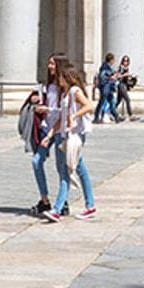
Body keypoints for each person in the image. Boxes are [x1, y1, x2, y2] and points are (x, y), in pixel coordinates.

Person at [44, 62, 97, 221]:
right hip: (64, 135)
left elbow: (89, 106)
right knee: (77, 169)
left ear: (67, 77)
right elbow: (61, 117)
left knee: (66, 170)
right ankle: (90, 205)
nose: (58, 78)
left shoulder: (75, 91)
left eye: (60, 76)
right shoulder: (65, 94)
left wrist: (74, 116)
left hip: (74, 136)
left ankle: (57, 209)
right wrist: (50, 135)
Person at [26, 53, 65, 217]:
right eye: (49, 63)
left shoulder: (65, 87)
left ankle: (62, 202)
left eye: (53, 64)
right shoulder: (47, 86)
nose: (50, 67)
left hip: (60, 130)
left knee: (62, 168)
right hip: (47, 129)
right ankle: (45, 200)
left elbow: (65, 111)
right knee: (36, 162)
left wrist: (47, 110)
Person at [93, 53, 117, 124]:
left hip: (108, 88)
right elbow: (102, 76)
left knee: (111, 102)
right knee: (102, 102)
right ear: (111, 60)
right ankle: (97, 117)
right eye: (113, 60)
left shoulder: (108, 67)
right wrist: (111, 77)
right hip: (105, 88)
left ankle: (116, 117)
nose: (114, 61)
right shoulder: (105, 67)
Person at [116, 55, 137, 121]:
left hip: (124, 85)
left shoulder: (126, 68)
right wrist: (124, 75)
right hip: (121, 85)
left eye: (127, 61)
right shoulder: (120, 68)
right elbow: (117, 75)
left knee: (118, 100)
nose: (126, 62)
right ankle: (130, 115)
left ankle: (111, 111)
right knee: (127, 99)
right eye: (125, 61)